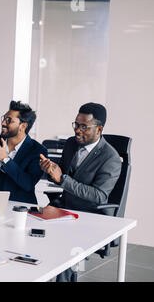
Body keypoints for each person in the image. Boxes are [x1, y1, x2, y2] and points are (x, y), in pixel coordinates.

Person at [39, 102, 122, 282]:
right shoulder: (71, 144)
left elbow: (99, 196)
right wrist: (50, 170)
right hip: (65, 208)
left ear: (99, 129)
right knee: (31, 230)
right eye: (76, 124)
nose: (77, 130)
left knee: (63, 245)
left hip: (90, 214)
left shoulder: (111, 157)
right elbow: (61, 174)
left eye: (84, 127)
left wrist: (62, 179)